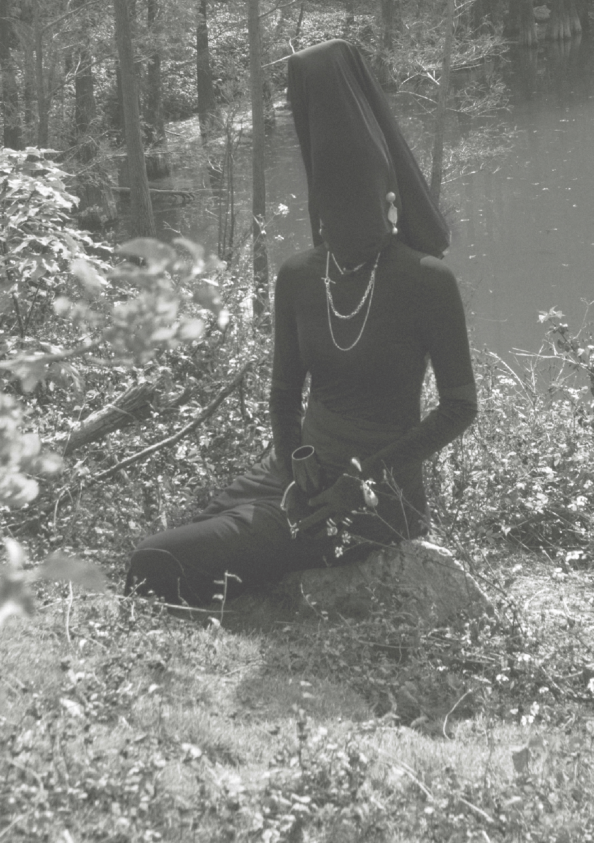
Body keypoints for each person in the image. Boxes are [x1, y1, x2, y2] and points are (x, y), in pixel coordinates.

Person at [125, 39, 478, 607]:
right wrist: (295, 461)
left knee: (157, 561)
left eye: (364, 208)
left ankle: (270, 578)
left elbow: (460, 406)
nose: (348, 226)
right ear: (320, 209)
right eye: (334, 211)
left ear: (389, 206)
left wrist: (363, 477)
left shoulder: (426, 281)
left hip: (378, 497)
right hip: (301, 475)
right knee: (172, 549)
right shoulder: (299, 276)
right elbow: (285, 393)